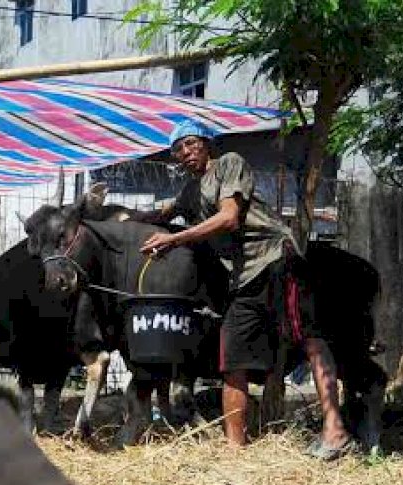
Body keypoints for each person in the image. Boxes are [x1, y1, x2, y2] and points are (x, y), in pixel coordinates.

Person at [135, 119, 359, 459]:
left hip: (276, 260)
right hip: (243, 278)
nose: (185, 153)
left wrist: (174, 238)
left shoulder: (229, 163)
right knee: (232, 354)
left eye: (191, 144)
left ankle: (335, 430)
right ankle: (234, 451)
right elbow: (161, 214)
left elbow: (229, 218)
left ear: (207, 143)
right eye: (178, 150)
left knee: (309, 338)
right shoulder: (190, 191)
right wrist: (123, 220)